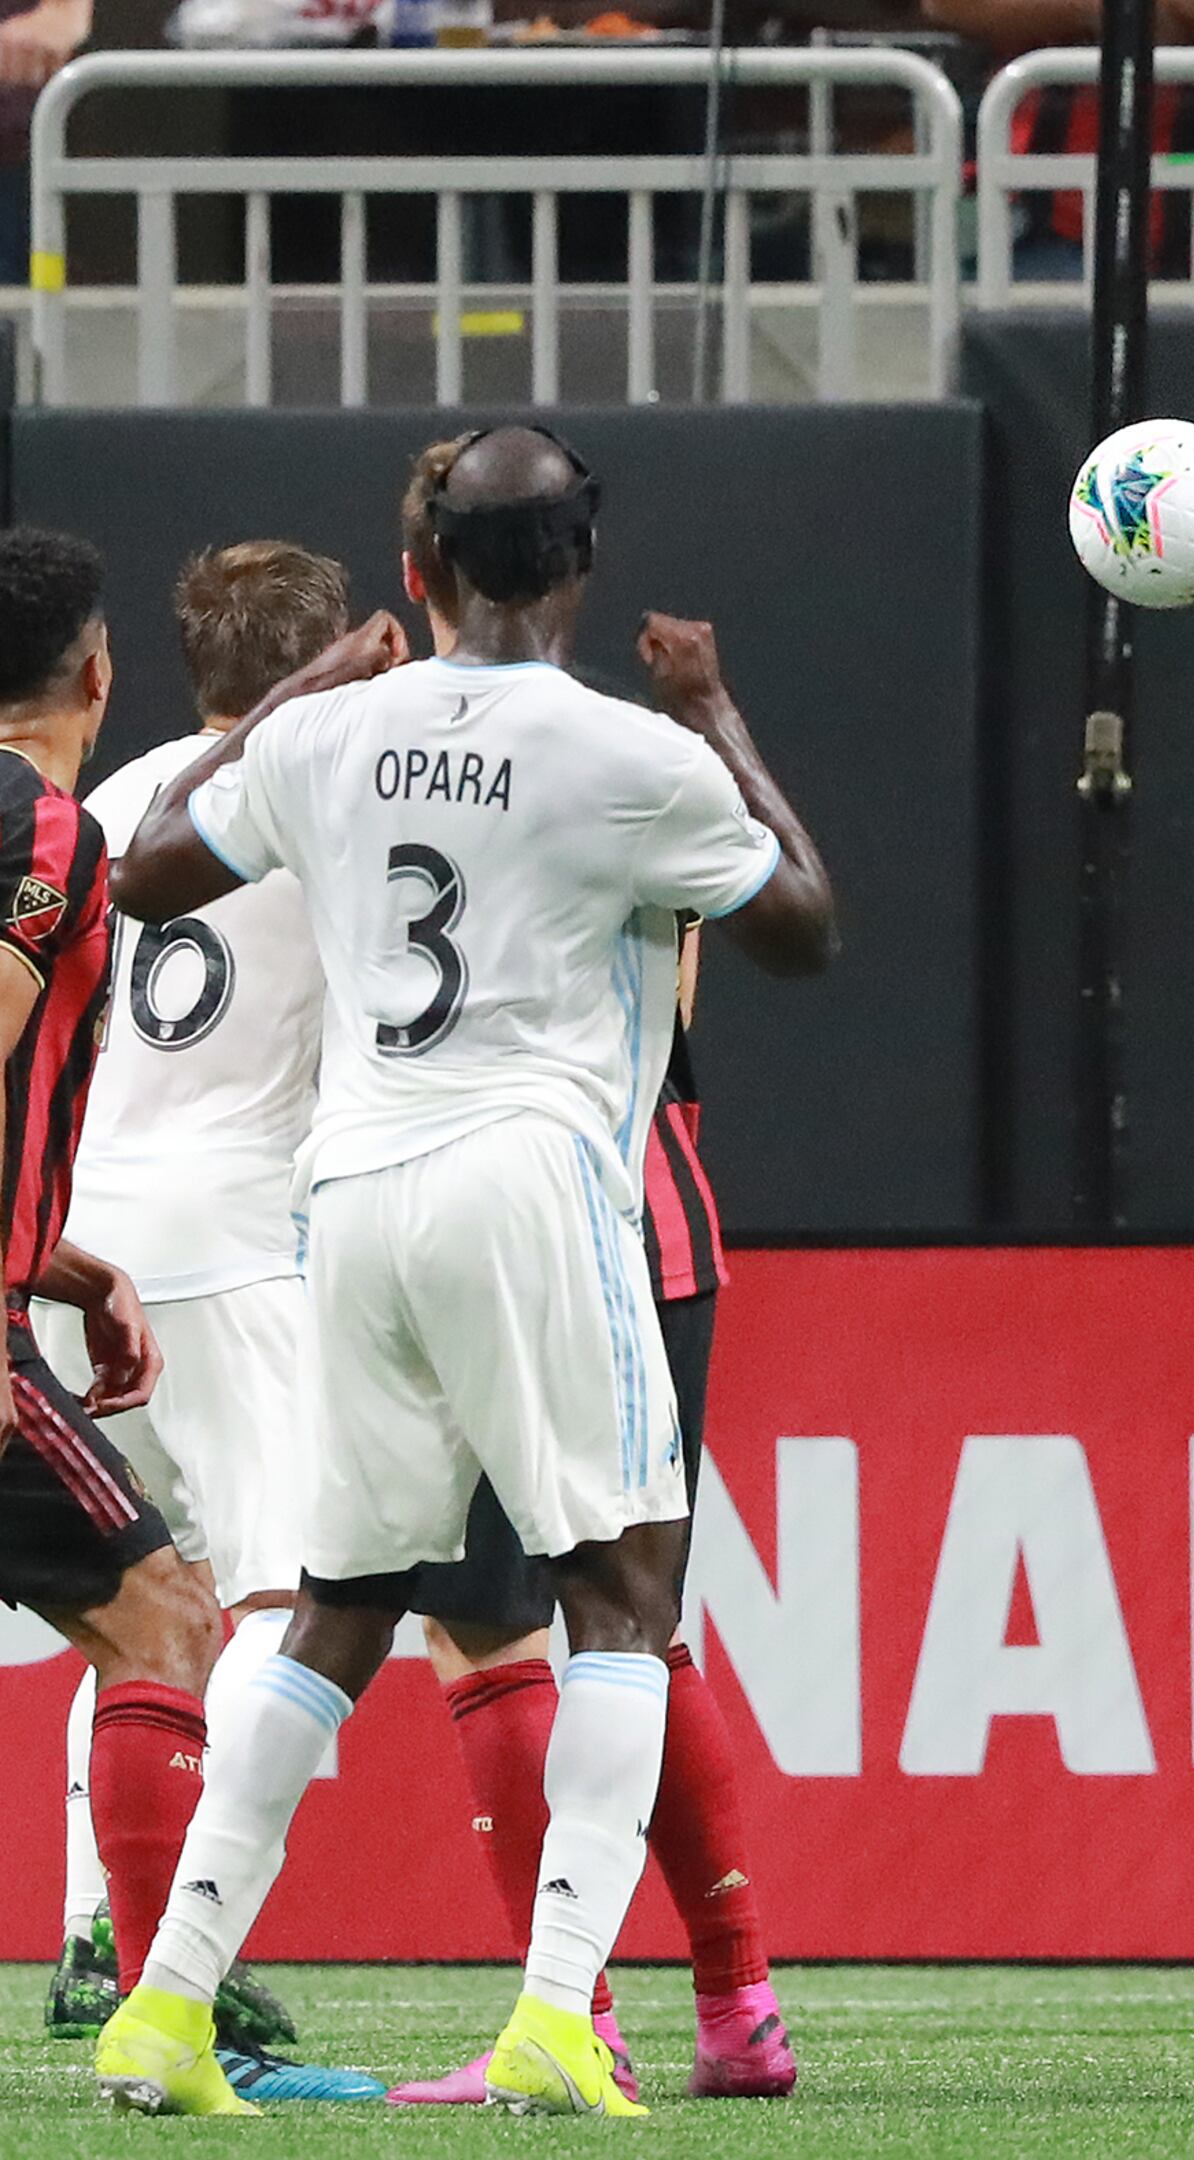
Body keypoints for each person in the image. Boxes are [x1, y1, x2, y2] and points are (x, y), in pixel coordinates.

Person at [90, 424, 837, 2118]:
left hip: (346, 1191)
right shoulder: (620, 750)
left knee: (342, 1605)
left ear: (414, 574)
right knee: (621, 1599)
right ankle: (563, 2012)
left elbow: (144, 878)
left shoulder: (335, 737)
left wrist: (290, 704)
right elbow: (800, 919)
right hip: (534, 1177)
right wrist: (716, 712)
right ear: (578, 570)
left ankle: (169, 2003)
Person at [34, 540, 381, 2105]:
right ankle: (187, 1949)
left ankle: (92, 1930)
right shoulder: (336, 801)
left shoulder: (115, 803)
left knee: (128, 1612)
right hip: (232, 1246)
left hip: (75, 1233)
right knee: (276, 1602)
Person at [0, 528, 236, 2080]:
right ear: (99, 672)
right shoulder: (47, 829)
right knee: (163, 1615)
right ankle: (160, 2016)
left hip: (30, 1286)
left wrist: (71, 1264)